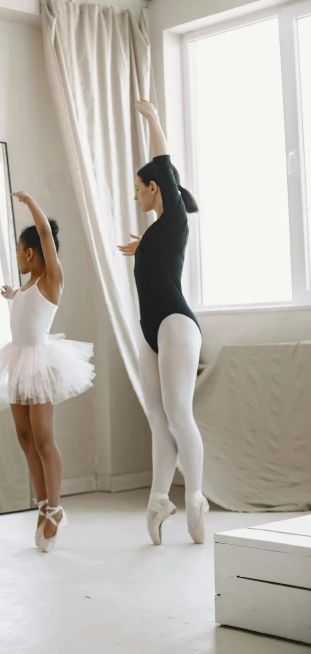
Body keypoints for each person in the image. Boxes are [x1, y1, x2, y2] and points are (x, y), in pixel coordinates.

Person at [0, 192, 95, 553]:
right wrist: (13, 294)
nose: (17, 257)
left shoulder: (52, 279)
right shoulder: (28, 286)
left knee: (44, 438)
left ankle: (56, 509)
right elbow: (25, 305)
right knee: (24, 436)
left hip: (40, 363)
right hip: (17, 362)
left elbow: (45, 234)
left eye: (18, 250)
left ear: (31, 253)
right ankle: (43, 504)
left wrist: (30, 202)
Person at [118, 99, 208, 546]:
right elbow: (157, 261)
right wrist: (144, 248)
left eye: (138, 188)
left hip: (175, 322)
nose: (135, 195)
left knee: (178, 412)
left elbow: (163, 163)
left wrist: (153, 120)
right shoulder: (156, 233)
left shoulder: (173, 219)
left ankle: (195, 496)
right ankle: (158, 500)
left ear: (154, 189)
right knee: (156, 417)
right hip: (150, 330)